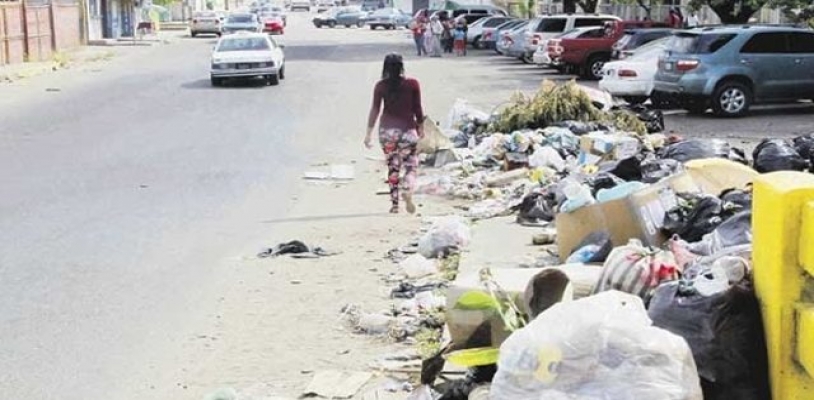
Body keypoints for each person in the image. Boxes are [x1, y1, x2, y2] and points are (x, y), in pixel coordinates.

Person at [365, 54, 425, 214]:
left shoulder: (380, 86)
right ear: (401, 67)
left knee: (393, 168)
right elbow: (417, 108)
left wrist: (368, 133)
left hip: (387, 132)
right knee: (411, 166)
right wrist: (421, 128)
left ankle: (395, 205)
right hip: (408, 132)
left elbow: (375, 109)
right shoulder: (412, 84)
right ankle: (408, 188)